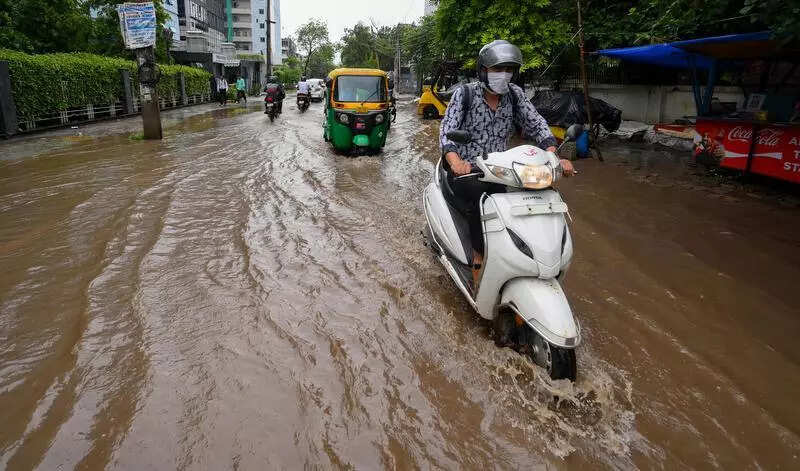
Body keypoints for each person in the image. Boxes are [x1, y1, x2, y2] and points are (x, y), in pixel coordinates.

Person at [439, 40, 575, 283]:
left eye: (509, 70)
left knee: (538, 192)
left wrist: (554, 155)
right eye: (497, 69)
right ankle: (479, 258)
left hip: (503, 169)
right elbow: (447, 131)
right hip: (469, 170)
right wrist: (456, 161)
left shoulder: (515, 95)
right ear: (483, 70)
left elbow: (537, 124)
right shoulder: (465, 94)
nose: (504, 75)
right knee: (480, 197)